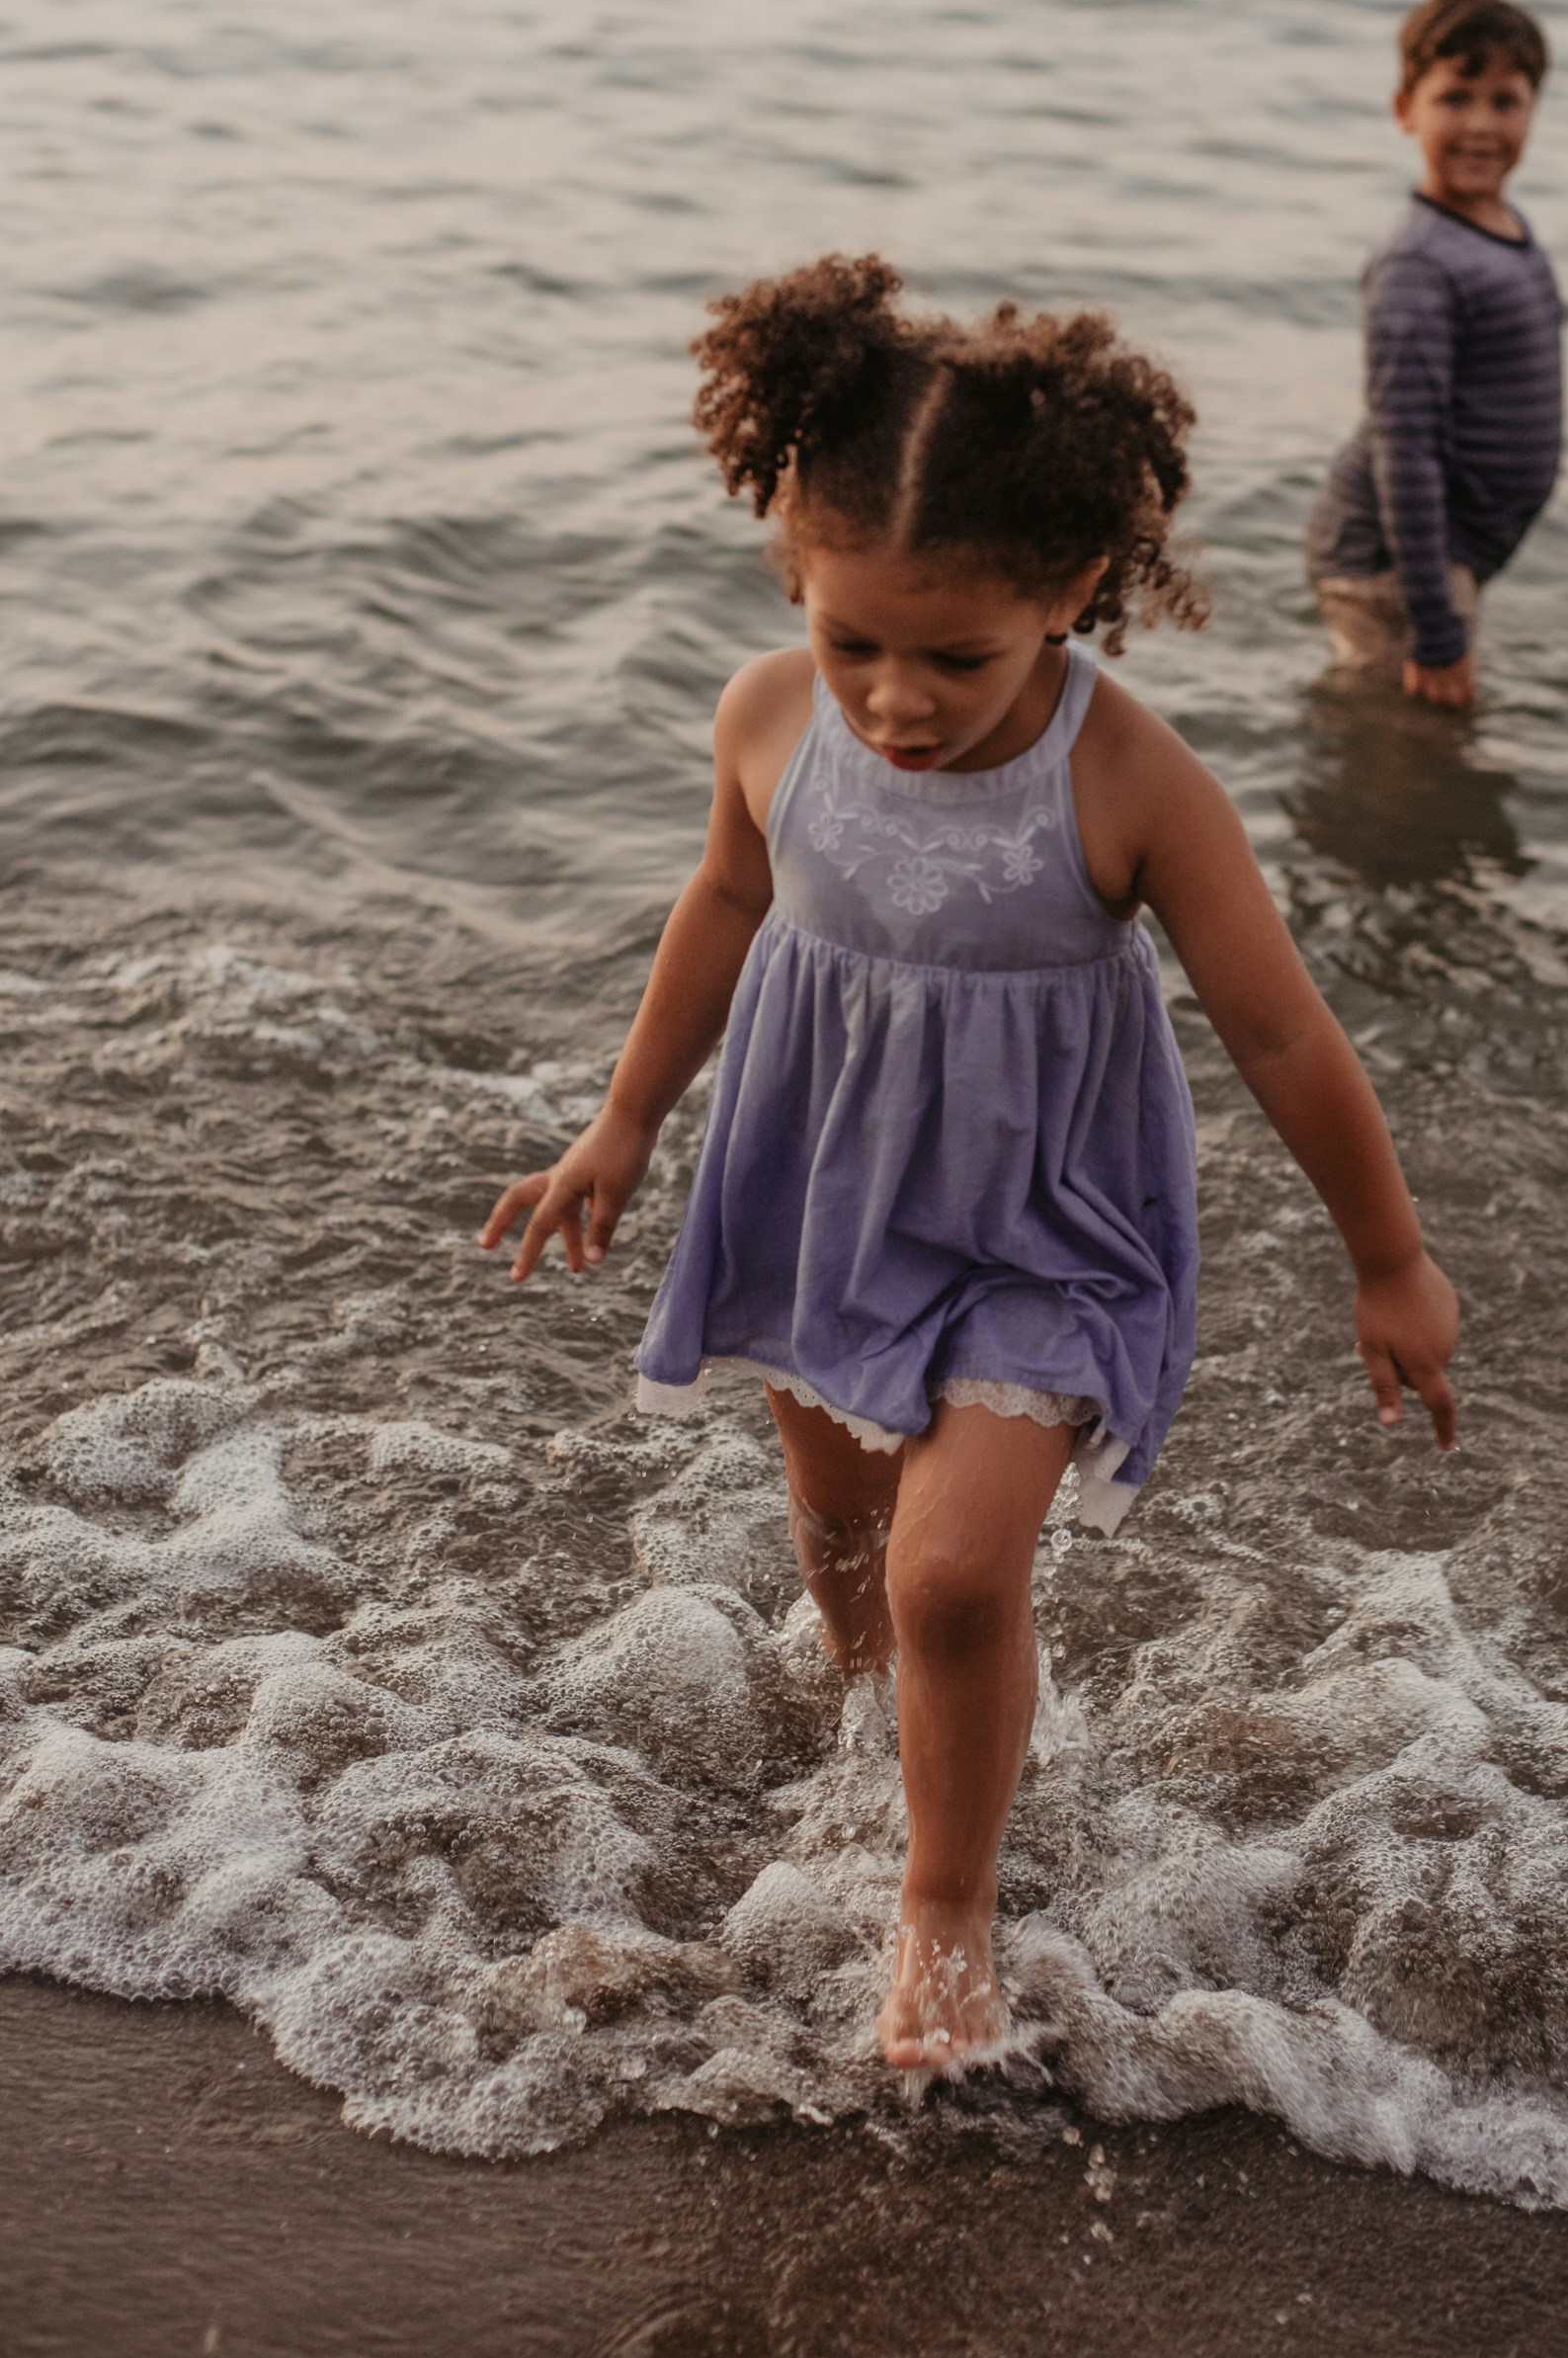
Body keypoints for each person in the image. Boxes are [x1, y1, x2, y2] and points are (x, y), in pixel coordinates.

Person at [482, 256, 1460, 2072]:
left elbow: (1282, 1033)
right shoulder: (771, 717)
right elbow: (722, 902)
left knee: (949, 1573)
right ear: (795, 569)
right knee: (850, 1541)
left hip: (1045, 1226)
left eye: (955, 657)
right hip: (815, 1184)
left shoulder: (1132, 781)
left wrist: (1388, 1255)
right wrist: (623, 1121)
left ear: (1072, 595)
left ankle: (944, 1910)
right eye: (854, 640)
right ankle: (900, 1734)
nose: (895, 702)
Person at [1307, 0, 1563, 710]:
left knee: (1414, 722)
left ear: (1533, 110)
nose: (1481, 124)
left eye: (1505, 101)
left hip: (1439, 557)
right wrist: (1436, 624)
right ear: (1404, 109)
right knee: (1411, 739)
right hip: (1392, 561)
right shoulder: (1418, 264)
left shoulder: (1501, 227)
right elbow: (1405, 448)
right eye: (1455, 98)